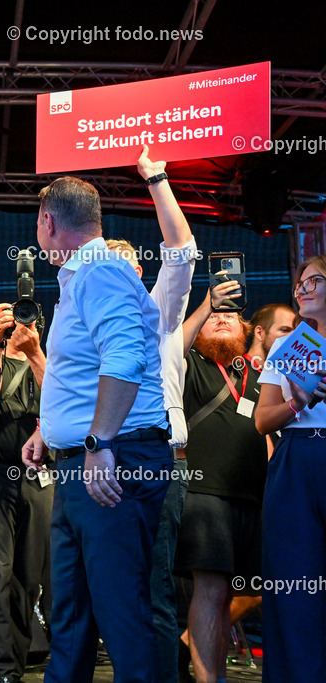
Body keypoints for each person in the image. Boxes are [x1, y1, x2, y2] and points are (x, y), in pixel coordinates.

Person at [21, 175, 172, 682]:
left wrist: (98, 442)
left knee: (121, 614)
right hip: (85, 464)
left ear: (48, 220)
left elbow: (125, 358)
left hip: (114, 461)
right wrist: (51, 431)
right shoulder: (82, 277)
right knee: (72, 617)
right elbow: (85, 372)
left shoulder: (99, 272)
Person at [103, 146, 199, 683]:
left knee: (155, 592)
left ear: (138, 271)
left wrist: (157, 177)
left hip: (156, 460)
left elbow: (182, 250)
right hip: (101, 463)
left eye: (121, 264)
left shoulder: (157, 307)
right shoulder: (88, 325)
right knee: (116, 593)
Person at [174, 304, 266, 683]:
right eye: (213, 316)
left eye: (230, 315)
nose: (222, 317)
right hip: (204, 493)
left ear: (247, 331)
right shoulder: (189, 363)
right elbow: (166, 348)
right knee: (211, 590)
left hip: (256, 497)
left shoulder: (258, 375)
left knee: (246, 592)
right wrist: (204, 306)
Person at [254, 256, 326, 683]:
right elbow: (263, 420)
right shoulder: (287, 346)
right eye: (299, 283)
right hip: (296, 460)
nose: (302, 289)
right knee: (296, 584)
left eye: (314, 280)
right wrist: (298, 401)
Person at [0, 304, 49, 683]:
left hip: (40, 478)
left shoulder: (48, 357)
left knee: (27, 580)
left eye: (29, 318)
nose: (22, 325)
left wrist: (35, 349)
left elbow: (59, 400)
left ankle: (15, 668)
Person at [246, 303, 296, 371]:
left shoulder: (284, 378)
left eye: (295, 334)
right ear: (259, 333)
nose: (294, 339)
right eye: (285, 330)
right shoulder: (235, 374)